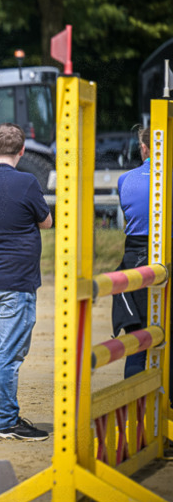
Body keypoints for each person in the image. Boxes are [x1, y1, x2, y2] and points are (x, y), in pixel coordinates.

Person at [0, 123, 53, 441]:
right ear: (22, 151)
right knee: (9, 355)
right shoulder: (26, 182)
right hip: (15, 283)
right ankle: (7, 421)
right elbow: (46, 221)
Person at [111, 124, 151, 378]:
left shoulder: (125, 179)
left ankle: (134, 410)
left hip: (136, 256)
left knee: (137, 340)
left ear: (143, 148)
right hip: (163, 252)